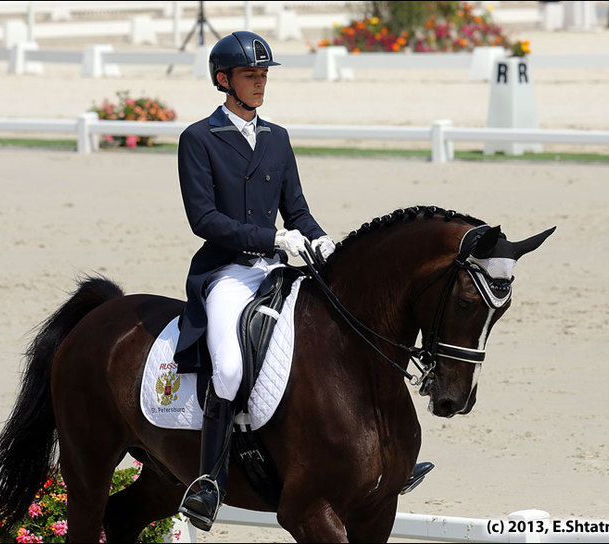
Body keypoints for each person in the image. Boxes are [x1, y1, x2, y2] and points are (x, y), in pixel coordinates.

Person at [172, 30, 335, 531]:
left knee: (337, 337)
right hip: (228, 271)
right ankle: (210, 481)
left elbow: (298, 211)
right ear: (224, 81)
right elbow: (203, 219)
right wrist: (271, 239)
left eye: (264, 75)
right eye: (250, 75)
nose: (260, 84)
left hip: (280, 267)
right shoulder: (199, 139)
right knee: (227, 368)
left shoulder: (277, 137)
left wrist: (322, 240)